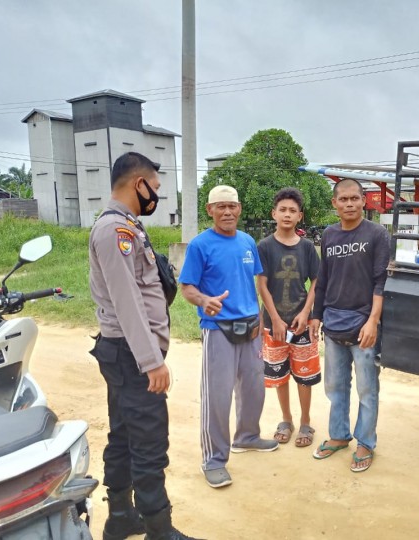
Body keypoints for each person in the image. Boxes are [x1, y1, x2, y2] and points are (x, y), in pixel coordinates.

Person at [89, 152, 199, 540]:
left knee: (123, 433)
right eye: (155, 188)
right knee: (149, 441)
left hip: (122, 351)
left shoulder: (126, 226)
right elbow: (128, 301)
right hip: (132, 355)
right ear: (139, 184)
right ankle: (159, 529)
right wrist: (152, 361)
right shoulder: (114, 230)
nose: (156, 195)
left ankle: (120, 517)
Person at [179, 185, 278, 489]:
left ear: (239, 209)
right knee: (217, 397)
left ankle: (246, 436)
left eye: (231, 206)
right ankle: (213, 460)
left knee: (253, 389)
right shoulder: (200, 245)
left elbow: (255, 284)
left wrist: (262, 320)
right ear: (210, 210)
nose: (227, 212)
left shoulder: (248, 242)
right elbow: (187, 287)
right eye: (220, 207)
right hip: (218, 328)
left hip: (250, 327)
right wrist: (204, 300)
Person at [309, 178, 390, 473]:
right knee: (335, 385)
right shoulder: (329, 236)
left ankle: (365, 442)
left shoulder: (377, 234)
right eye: (343, 199)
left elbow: (381, 282)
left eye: (355, 198)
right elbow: (323, 281)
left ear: (364, 200)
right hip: (333, 322)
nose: (349, 204)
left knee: (368, 389)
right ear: (334, 204)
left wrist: (372, 321)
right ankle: (339, 436)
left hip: (363, 324)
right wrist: (316, 316)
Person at [257, 187, 321, 447]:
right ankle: (286, 419)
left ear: (300, 216)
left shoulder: (307, 247)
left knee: (304, 375)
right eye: (282, 209)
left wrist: (306, 312)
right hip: (275, 324)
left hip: (301, 323)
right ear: (274, 213)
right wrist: (274, 319)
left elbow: (316, 281)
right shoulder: (264, 246)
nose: (287, 214)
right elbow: (262, 285)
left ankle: (306, 422)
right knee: (279, 374)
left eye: (292, 210)